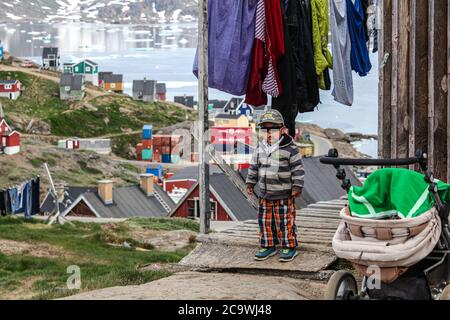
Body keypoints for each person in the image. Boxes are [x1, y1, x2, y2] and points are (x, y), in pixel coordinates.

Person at [246, 109, 305, 262]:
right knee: (265, 222)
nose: (268, 133)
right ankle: (268, 245)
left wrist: (297, 187)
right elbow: (253, 167)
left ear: (282, 130)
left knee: (284, 221)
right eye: (264, 129)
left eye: (272, 129)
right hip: (265, 194)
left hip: (285, 194)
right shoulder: (260, 148)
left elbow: (298, 169)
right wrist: (250, 183)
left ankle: (289, 246)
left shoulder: (290, 149)